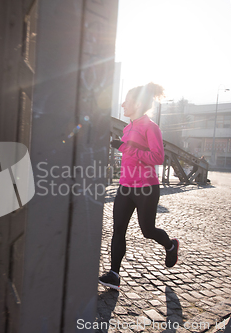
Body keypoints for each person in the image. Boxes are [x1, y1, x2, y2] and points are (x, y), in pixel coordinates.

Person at [99, 82, 179, 290]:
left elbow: (158, 157)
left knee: (148, 230)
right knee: (118, 230)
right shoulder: (127, 128)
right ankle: (114, 274)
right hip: (125, 186)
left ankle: (171, 246)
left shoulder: (151, 127)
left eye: (127, 101)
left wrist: (126, 148)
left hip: (146, 187)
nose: (123, 104)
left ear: (137, 103)